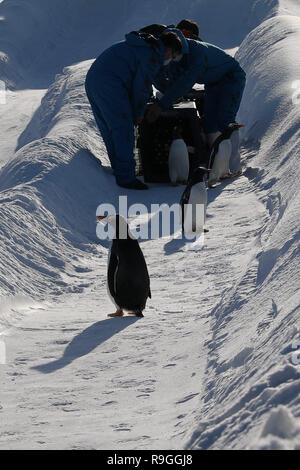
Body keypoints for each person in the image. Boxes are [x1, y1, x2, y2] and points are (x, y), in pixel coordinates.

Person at [85, 31, 182, 190]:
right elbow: (141, 87)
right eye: (172, 55)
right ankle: (126, 178)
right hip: (111, 84)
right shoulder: (151, 56)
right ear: (167, 48)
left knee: (112, 129)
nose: (170, 59)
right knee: (123, 128)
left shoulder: (145, 49)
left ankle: (120, 169)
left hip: (94, 80)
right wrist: (139, 113)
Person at [148, 21, 246, 154]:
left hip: (231, 78)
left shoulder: (196, 53)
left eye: (165, 50)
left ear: (174, 47)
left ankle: (233, 163)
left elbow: (186, 81)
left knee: (225, 120)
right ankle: (215, 159)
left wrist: (162, 105)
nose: (163, 54)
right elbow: (170, 82)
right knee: (209, 123)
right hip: (213, 82)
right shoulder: (175, 58)